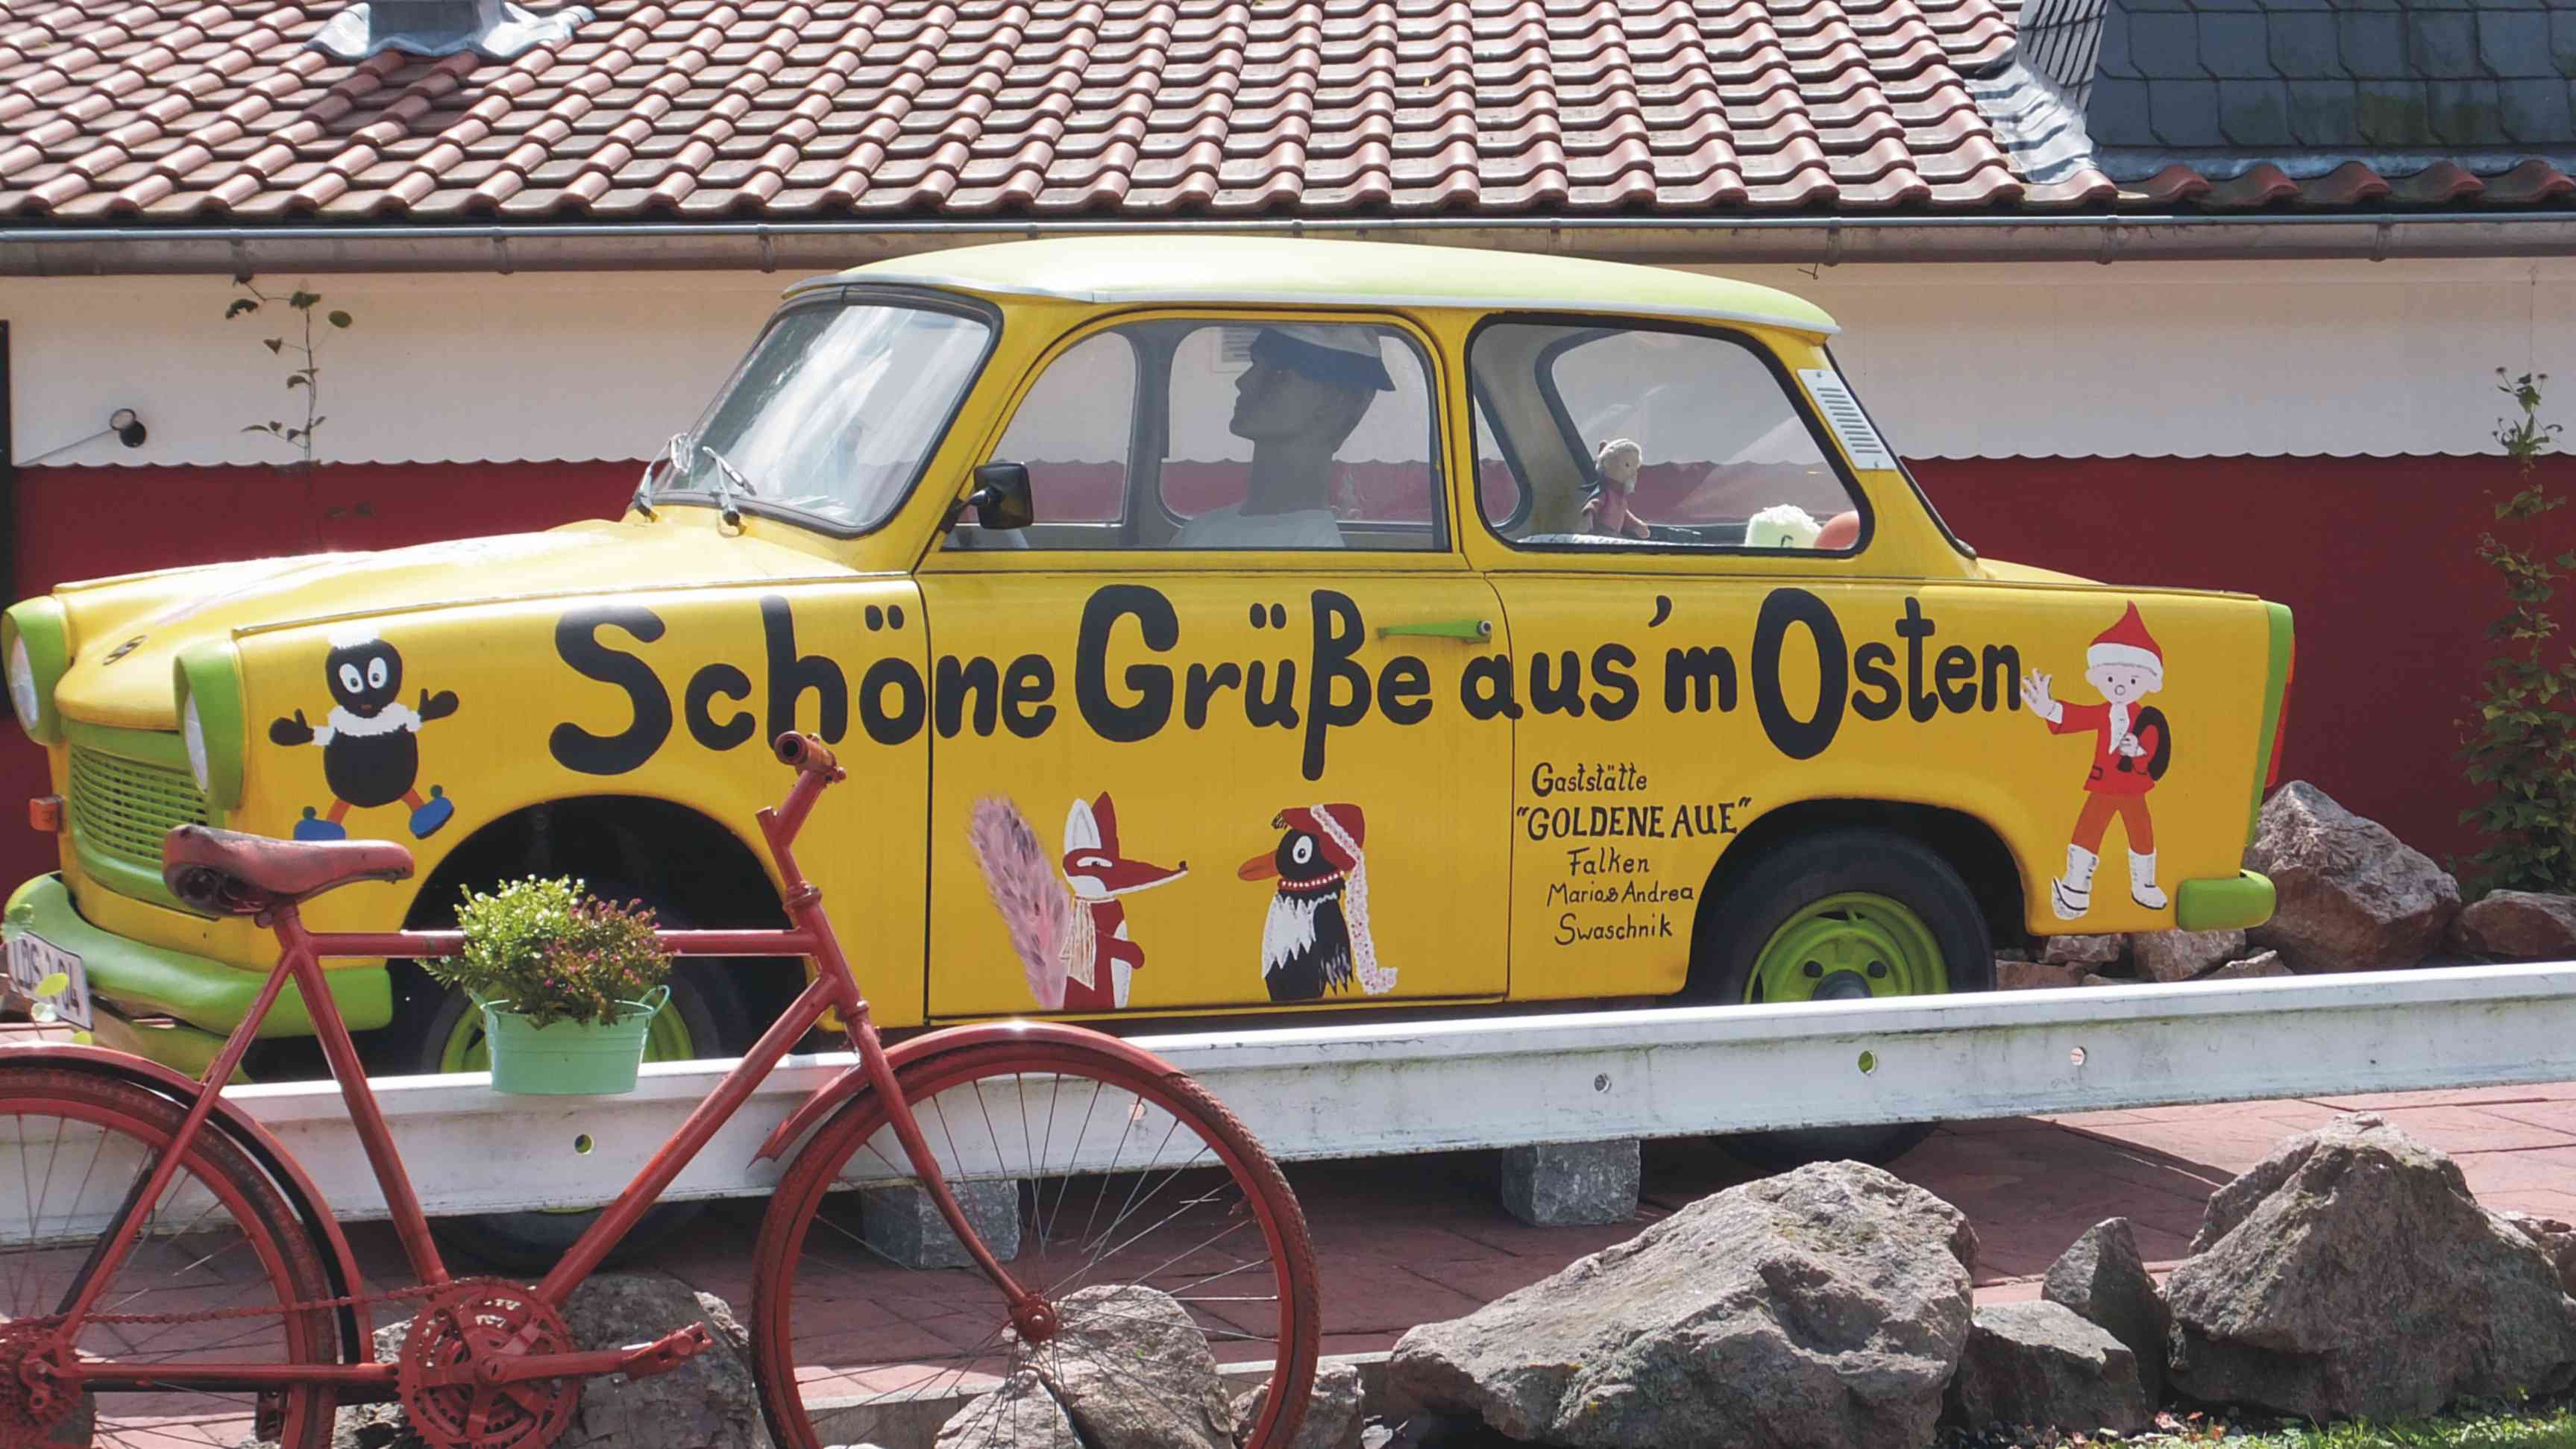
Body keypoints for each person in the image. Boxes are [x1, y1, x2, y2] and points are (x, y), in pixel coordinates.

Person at [1173, 325, 1394, 548]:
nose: (1243, 381)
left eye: (1278, 374)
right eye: (1255, 364)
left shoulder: (1317, 553)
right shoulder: (1197, 533)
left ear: (1335, 404)